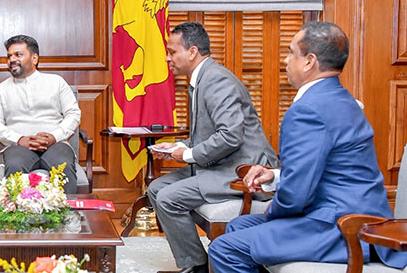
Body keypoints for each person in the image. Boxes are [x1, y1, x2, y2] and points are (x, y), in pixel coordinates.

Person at [208, 22, 407, 272]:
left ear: (309, 61)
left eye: (291, 52)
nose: (285, 59)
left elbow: (296, 196)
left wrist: (274, 209)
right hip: (358, 215)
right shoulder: (343, 99)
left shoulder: (307, 110)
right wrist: (276, 176)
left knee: (225, 249)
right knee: (239, 226)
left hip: (340, 225)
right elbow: (327, 167)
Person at [148, 21, 278, 273]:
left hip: (241, 170)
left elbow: (230, 136)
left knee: (167, 197)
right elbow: (209, 135)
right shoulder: (201, 79)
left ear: (192, 52)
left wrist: (187, 154)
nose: (167, 58)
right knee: (156, 188)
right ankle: (196, 263)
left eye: (172, 52)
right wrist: (177, 146)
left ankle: (196, 267)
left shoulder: (217, 80)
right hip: (220, 164)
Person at [0, 34, 82, 195]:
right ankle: (15, 219)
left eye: (18, 54)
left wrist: (53, 136)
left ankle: (69, 218)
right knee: (15, 165)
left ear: (34, 58)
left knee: (63, 164)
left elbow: (73, 114)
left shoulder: (56, 82)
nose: (12, 59)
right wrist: (19, 139)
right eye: (9, 56)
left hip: (55, 144)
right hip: (18, 146)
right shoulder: (1, 90)